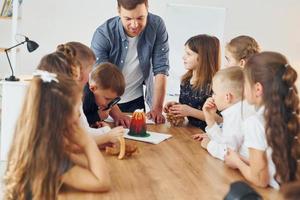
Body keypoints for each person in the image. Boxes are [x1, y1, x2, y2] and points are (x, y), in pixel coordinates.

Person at [4, 71, 115, 200]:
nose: (79, 113)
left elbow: (91, 166)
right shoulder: (48, 155)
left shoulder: (48, 141)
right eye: (76, 106)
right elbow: (102, 183)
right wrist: (87, 143)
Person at [88, 0, 170, 127]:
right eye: (128, 19)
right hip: (106, 102)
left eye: (140, 18)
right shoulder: (103, 34)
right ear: (119, 11)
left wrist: (157, 108)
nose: (134, 25)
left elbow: (161, 69)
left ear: (147, 9)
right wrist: (117, 114)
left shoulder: (156, 25)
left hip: (135, 100)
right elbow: (100, 79)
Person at [224, 52, 299, 189]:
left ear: (258, 88)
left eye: (245, 83)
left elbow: (260, 180)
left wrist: (237, 162)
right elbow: (273, 162)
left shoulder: (255, 122)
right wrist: (245, 160)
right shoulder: (291, 114)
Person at [193, 67, 254, 160]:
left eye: (214, 93)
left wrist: (209, 145)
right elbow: (226, 139)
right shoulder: (243, 108)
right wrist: (210, 119)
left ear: (227, 97)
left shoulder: (235, 115)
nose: (212, 97)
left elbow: (228, 152)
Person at [163, 34, 221, 131]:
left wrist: (190, 111)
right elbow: (189, 107)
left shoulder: (215, 85)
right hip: (191, 132)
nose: (183, 57)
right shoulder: (185, 81)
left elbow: (220, 120)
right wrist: (176, 106)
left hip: (210, 135)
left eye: (189, 54)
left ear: (202, 57)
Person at [83, 62, 126, 129]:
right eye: (107, 99)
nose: (108, 104)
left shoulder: (97, 95)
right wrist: (97, 116)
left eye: (113, 100)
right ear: (93, 88)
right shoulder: (84, 98)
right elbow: (75, 124)